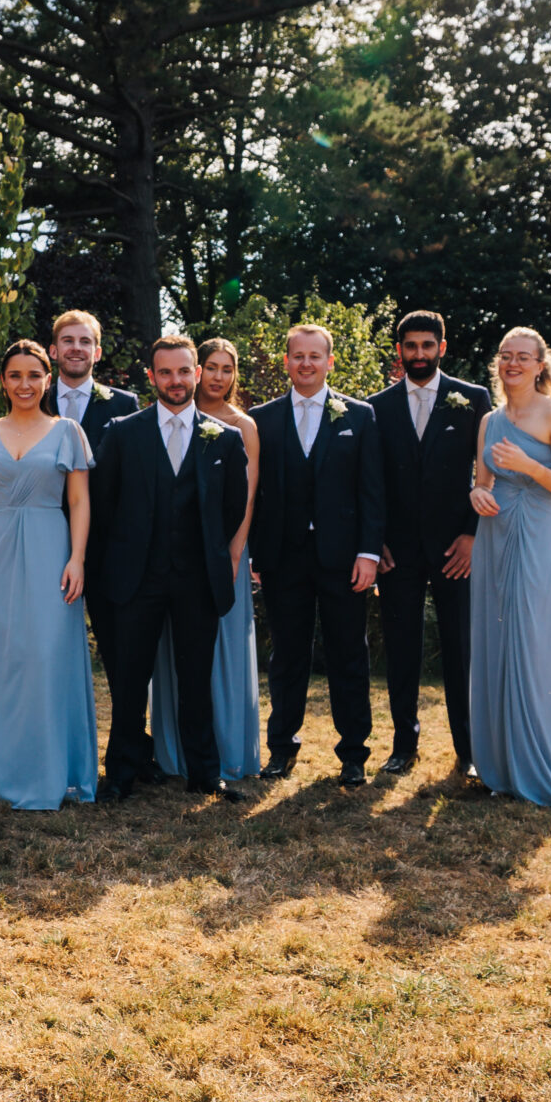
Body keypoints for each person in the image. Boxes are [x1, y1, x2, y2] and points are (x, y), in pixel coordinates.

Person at [92, 336, 249, 801]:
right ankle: (120, 773)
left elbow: (234, 507)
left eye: (184, 372)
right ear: (152, 377)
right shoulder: (123, 431)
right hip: (135, 578)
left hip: (197, 579)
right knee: (129, 679)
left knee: (195, 679)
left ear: (197, 374)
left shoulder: (226, 437)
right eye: (166, 373)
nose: (175, 381)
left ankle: (205, 773)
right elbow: (105, 504)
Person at [0, 340, 96, 809]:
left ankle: (46, 772)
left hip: (51, 551)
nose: (25, 384)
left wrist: (77, 558)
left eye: (35, 375)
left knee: (44, 659)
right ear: (3, 381)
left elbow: (79, 501)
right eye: (15, 375)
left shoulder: (68, 430)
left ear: (47, 380)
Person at [248, 324, 385, 787]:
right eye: (297, 356)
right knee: (286, 656)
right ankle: (281, 749)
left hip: (344, 557)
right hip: (284, 558)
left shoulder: (359, 416)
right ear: (285, 361)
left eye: (314, 356)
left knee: (350, 654)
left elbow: (372, 491)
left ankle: (353, 754)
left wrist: (368, 553)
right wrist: (257, 555)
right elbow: (255, 497)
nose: (305, 364)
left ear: (330, 362)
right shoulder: (261, 419)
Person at [466, 328, 551, 806]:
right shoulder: (490, 420)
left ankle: (542, 766)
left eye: (522, 357)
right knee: (495, 641)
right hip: (493, 536)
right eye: (505, 356)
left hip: (536, 535)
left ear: (541, 365)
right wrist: (476, 493)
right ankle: (500, 766)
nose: (512, 364)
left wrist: (531, 467)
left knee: (533, 642)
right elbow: (482, 481)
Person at [370, 311, 491, 778]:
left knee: (461, 648)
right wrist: (373, 541)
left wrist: (471, 535)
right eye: (410, 346)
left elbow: (488, 474)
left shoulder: (474, 399)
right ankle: (404, 746)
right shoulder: (375, 406)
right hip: (396, 551)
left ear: (443, 346)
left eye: (427, 345)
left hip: (454, 549)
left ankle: (469, 748)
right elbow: (370, 482)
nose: (418, 354)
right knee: (402, 650)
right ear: (399, 350)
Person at [152, 338, 263, 783]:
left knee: (222, 652)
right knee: (176, 656)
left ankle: (228, 750)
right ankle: (173, 751)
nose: (218, 376)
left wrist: (234, 553)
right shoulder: (164, 418)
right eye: (212, 367)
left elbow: (246, 498)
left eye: (226, 369)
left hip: (225, 553)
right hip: (170, 563)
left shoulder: (242, 427)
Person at [46, 309, 139, 450]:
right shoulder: (38, 401)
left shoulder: (125, 405)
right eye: (68, 341)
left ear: (97, 353)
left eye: (85, 342)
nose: (76, 348)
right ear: (53, 351)